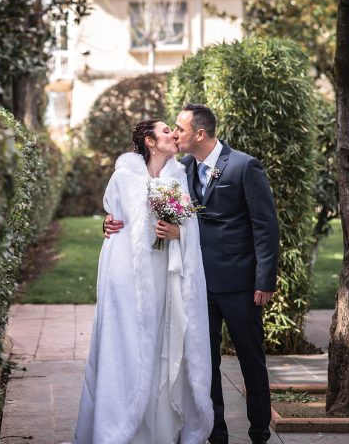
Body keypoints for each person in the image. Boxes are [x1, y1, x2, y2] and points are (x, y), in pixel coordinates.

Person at [104, 104, 279, 444]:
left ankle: (259, 432)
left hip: (239, 284)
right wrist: (110, 221)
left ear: (199, 133)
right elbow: (142, 202)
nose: (174, 134)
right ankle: (217, 433)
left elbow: (265, 226)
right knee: (203, 362)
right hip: (195, 283)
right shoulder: (180, 169)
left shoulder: (243, 166)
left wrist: (265, 279)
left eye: (180, 129)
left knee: (251, 359)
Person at [75, 120, 213, 444]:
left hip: (165, 277)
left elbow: (191, 223)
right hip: (125, 278)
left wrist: (179, 232)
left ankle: (157, 430)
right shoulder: (123, 176)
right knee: (125, 346)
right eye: (165, 131)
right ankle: (119, 427)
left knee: (160, 345)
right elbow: (114, 219)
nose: (173, 135)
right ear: (150, 141)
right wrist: (107, 224)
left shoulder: (178, 177)